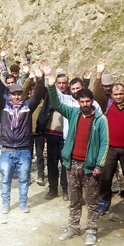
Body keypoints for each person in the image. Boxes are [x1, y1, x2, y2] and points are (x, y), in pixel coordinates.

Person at [43, 61, 108, 246]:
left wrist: (99, 166)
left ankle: (91, 231)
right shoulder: (73, 113)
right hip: (71, 164)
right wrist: (50, 84)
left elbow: (104, 144)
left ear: (92, 102)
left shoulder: (100, 120)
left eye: (88, 101)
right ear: (77, 102)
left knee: (92, 201)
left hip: (89, 166)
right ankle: (72, 228)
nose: (85, 104)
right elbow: (55, 102)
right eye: (82, 101)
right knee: (74, 200)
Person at [0, 58, 45, 214]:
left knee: (23, 179)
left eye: (18, 94)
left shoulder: (28, 106)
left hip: (24, 150)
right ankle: (6, 203)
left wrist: (40, 79)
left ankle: (23, 203)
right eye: (13, 94)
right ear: (9, 95)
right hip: (7, 149)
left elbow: (38, 94)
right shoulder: (3, 106)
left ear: (22, 94)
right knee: (6, 178)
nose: (16, 96)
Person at [98, 82, 124, 211]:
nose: (118, 96)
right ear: (111, 95)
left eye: (121, 94)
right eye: (116, 94)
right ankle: (103, 202)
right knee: (105, 176)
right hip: (110, 148)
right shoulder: (107, 107)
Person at [36, 71, 71, 200]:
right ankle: (53, 189)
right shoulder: (51, 96)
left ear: (67, 84)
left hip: (66, 137)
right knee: (51, 163)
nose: (61, 85)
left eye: (64, 83)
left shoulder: (71, 98)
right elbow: (42, 89)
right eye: (59, 83)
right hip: (51, 135)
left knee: (65, 163)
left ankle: (65, 189)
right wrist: (44, 76)